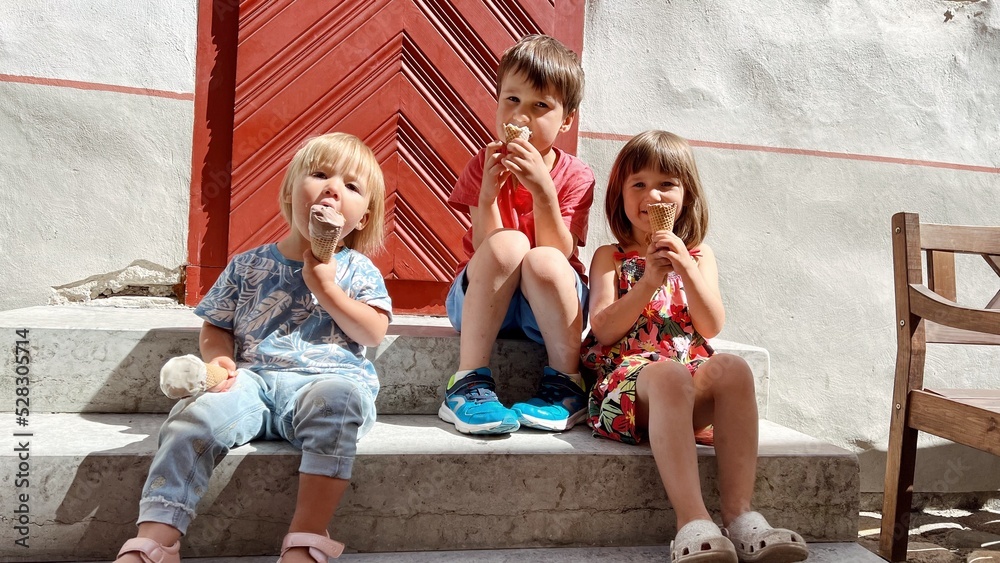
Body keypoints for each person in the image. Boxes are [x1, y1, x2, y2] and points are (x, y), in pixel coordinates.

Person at [115, 133, 391, 563]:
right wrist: (218, 357)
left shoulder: (358, 270)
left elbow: (373, 332)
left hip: (326, 383)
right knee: (193, 418)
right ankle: (157, 539)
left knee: (340, 402)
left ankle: (307, 536)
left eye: (352, 187)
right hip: (253, 382)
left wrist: (327, 287)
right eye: (319, 174)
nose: (333, 188)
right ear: (290, 191)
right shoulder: (246, 265)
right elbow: (217, 325)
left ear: (361, 218)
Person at [581, 131, 808, 563]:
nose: (653, 195)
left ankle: (740, 516)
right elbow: (604, 329)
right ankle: (692, 521)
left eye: (667, 183)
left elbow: (711, 323)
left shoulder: (700, 256)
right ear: (620, 195)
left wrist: (684, 267)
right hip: (629, 392)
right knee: (666, 374)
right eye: (639, 184)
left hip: (686, 382)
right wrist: (648, 280)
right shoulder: (609, 257)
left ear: (686, 194)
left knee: (734, 368)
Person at [440, 34, 595, 435]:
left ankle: (565, 385)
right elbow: (485, 247)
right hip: (482, 300)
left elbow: (560, 251)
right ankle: (467, 380)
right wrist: (488, 194)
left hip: (547, 306)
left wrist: (544, 191)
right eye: (512, 100)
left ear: (566, 119)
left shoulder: (575, 175)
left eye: (540, 106)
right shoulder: (484, 163)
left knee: (542, 257)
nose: (521, 117)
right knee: (508, 242)